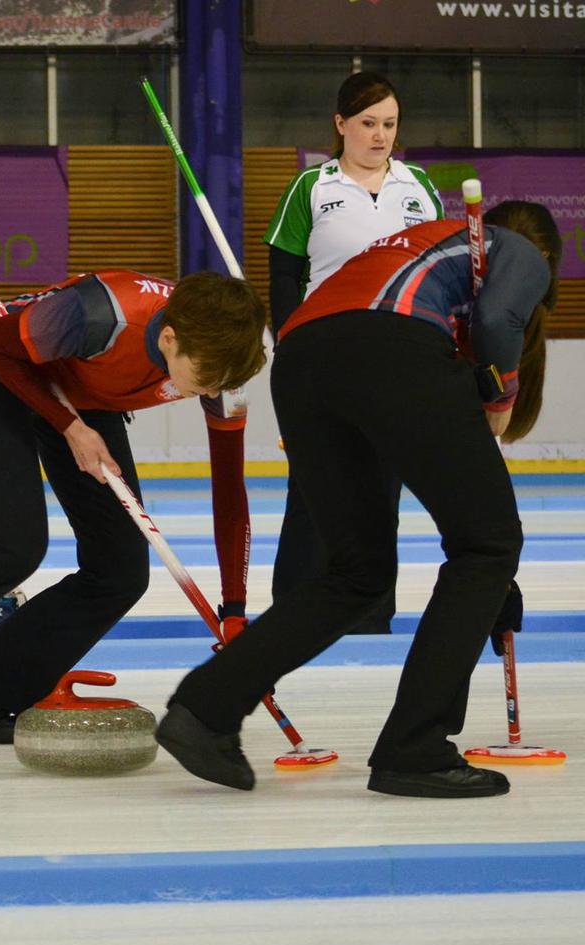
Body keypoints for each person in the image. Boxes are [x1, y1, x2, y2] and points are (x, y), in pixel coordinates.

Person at [156, 201, 559, 799]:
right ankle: (414, 748)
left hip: (301, 362)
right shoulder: (522, 254)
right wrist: (499, 401)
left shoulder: (417, 241)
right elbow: (500, 322)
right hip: (390, 348)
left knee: (357, 572)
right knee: (488, 544)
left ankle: (204, 708)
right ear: (546, 255)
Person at [0, 269, 268, 756]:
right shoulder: (98, 315)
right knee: (15, 548)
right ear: (169, 338)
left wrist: (235, 611)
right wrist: (69, 426)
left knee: (120, 571)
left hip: (83, 392)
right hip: (2, 372)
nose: (209, 393)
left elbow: (230, 495)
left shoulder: (225, 376)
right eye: (201, 379)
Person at [265, 72, 443, 634]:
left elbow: (438, 272)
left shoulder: (419, 186)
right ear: (341, 125)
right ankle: (293, 612)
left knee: (380, 492)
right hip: (322, 358)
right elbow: (282, 281)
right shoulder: (311, 187)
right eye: (368, 123)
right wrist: (290, 351)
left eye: (389, 124)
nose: (380, 135)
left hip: (398, 359)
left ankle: (370, 613)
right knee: (314, 487)